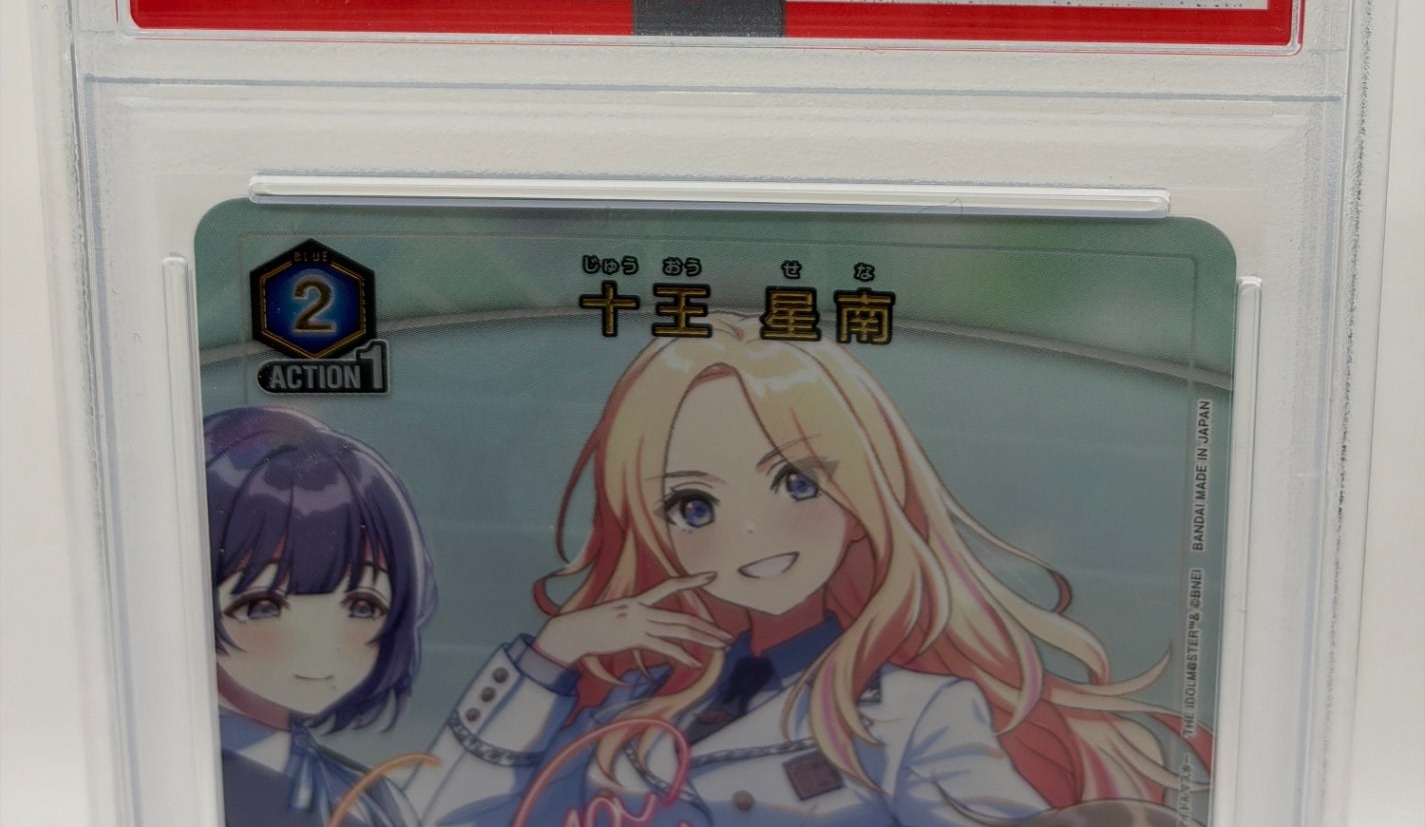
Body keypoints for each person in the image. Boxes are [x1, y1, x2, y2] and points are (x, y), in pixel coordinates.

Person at [409, 316, 1199, 826]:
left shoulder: (914, 716)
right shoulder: (626, 709)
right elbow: (442, 818)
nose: (751, 532)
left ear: (861, 501)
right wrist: (549, 657)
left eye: (796, 483)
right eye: (692, 505)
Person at [205, 406, 437, 827]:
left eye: (362, 606)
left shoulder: (369, 794)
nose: (324, 644)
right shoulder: (188, 779)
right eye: (263, 606)